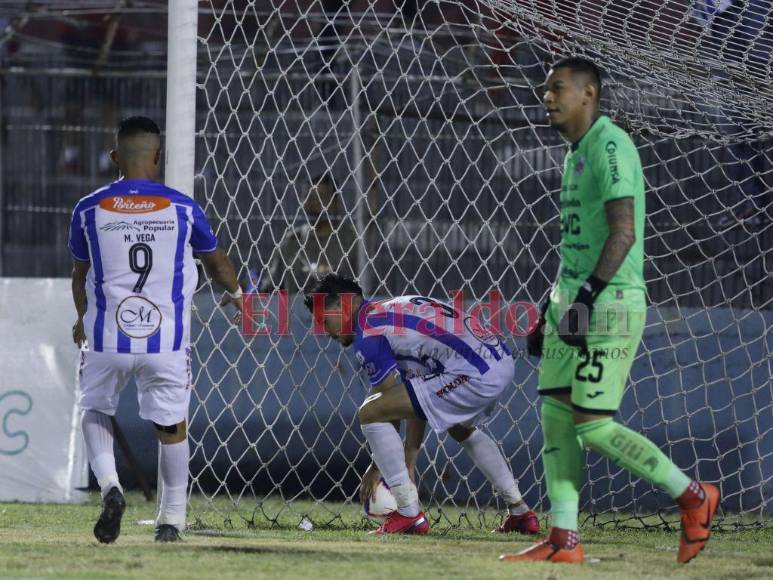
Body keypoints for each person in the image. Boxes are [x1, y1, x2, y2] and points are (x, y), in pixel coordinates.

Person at [500, 57, 720, 564]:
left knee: (592, 424)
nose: (547, 98)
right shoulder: (574, 154)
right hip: (570, 302)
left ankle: (693, 495)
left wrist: (583, 301)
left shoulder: (611, 144)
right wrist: (547, 310)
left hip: (608, 305)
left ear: (589, 93)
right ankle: (564, 540)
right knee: (555, 418)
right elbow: (576, 245)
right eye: (543, 90)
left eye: (556, 88)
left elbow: (624, 232)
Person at [68, 116, 242, 543]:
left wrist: (81, 318)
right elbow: (216, 262)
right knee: (172, 425)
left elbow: (79, 275)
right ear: (159, 158)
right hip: (165, 340)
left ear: (114, 158)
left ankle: (110, 487)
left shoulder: (88, 208)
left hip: (107, 335)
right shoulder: (183, 208)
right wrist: (238, 293)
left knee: (96, 408)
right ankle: (171, 522)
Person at [304, 273, 539, 536]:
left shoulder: (368, 333)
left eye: (324, 320)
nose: (325, 331)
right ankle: (521, 513)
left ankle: (408, 513)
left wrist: (377, 467)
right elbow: (415, 397)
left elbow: (387, 407)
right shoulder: (388, 310)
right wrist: (409, 461)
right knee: (458, 427)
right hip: (497, 359)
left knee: (369, 412)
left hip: (474, 371)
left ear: (343, 306)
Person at [262, 173, 357, 294]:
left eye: (322, 198)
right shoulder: (292, 242)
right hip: (296, 311)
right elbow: (269, 288)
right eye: (310, 198)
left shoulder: (350, 240)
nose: (315, 204)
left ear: (335, 201)